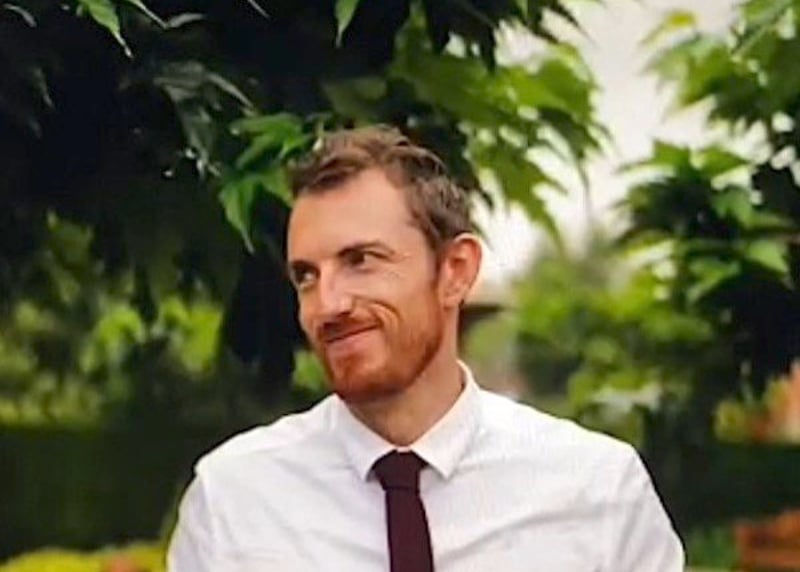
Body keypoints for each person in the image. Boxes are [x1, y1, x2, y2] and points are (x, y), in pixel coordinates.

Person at [167, 125, 685, 571]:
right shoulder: (233, 502)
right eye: (306, 276)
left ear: (455, 271)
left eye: (361, 260)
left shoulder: (598, 492)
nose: (329, 304)